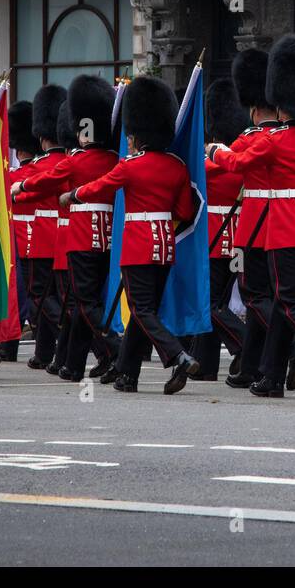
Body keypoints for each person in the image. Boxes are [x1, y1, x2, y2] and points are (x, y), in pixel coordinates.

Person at [208, 34, 295, 401]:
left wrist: (215, 150)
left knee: (286, 302)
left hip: (282, 228)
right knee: (289, 300)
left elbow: (236, 164)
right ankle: (270, 377)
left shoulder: (271, 140)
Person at [65, 75, 198, 394]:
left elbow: (102, 186)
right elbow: (185, 213)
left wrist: (74, 195)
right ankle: (127, 373)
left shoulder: (131, 166)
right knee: (145, 311)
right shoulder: (177, 166)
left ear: (137, 134)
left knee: (141, 311)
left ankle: (177, 355)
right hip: (165, 247)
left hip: (138, 246)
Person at [13, 76, 120, 382]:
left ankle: (114, 348)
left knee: (83, 303)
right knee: (84, 300)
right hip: (107, 237)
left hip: (81, 236)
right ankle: (73, 364)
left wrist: (20, 185)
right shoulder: (113, 158)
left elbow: (46, 179)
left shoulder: (76, 161)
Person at [220, 48, 280, 391]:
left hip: (254, 226)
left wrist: (213, 151)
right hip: (286, 227)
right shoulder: (290, 138)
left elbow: (229, 166)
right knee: (262, 296)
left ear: (254, 108)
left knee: (256, 296)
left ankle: (294, 343)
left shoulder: (250, 139)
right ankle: (252, 366)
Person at [192, 78, 249, 381]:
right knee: (220, 301)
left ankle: (243, 343)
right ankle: (205, 364)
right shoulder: (236, 159)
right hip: (237, 236)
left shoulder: (212, 163)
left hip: (214, 237)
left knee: (210, 302)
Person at [22, 84, 67, 371]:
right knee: (57, 294)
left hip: (42, 237)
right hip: (65, 234)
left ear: (41, 136)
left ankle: (66, 332)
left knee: (40, 294)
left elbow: (25, 194)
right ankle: (44, 352)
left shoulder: (38, 167)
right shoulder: (71, 160)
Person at [0, 99, 36, 363]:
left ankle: (9, 344)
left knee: (16, 293)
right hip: (45, 239)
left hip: (18, 240)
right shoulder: (48, 168)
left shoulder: (13, 176)